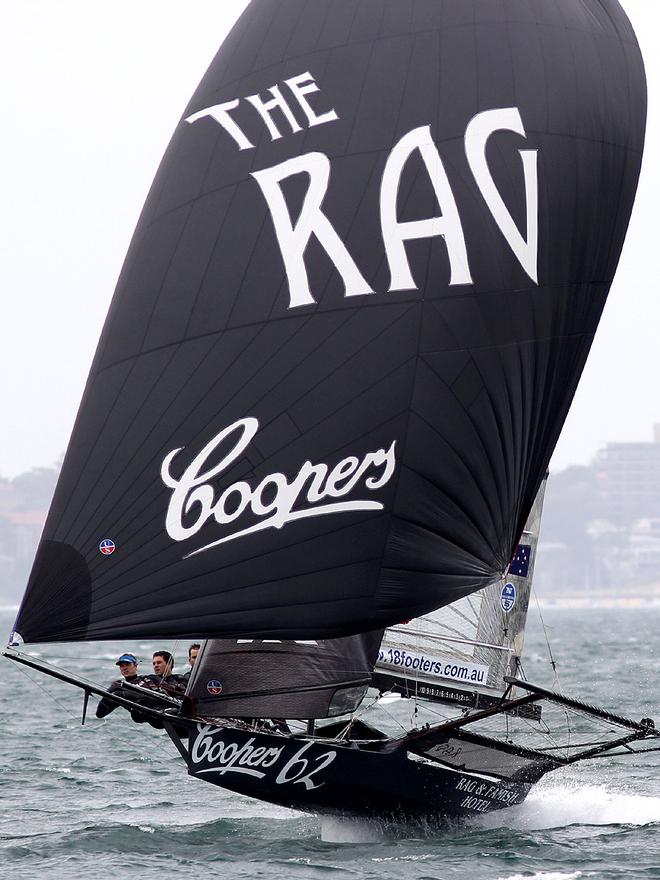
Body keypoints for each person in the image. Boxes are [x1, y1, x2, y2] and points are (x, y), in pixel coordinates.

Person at [95, 653, 145, 718]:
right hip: (144, 716)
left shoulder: (148, 679)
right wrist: (107, 694)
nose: (124, 668)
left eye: (127, 664)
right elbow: (99, 714)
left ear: (135, 665)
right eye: (122, 666)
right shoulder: (119, 687)